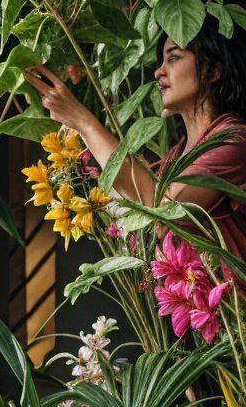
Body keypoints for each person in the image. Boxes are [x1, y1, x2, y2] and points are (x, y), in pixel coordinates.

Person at [28, 23, 246, 255]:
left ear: (212, 71)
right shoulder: (177, 154)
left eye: (173, 58)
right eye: (162, 61)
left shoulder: (234, 139)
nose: (158, 72)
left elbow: (162, 211)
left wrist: (83, 121)